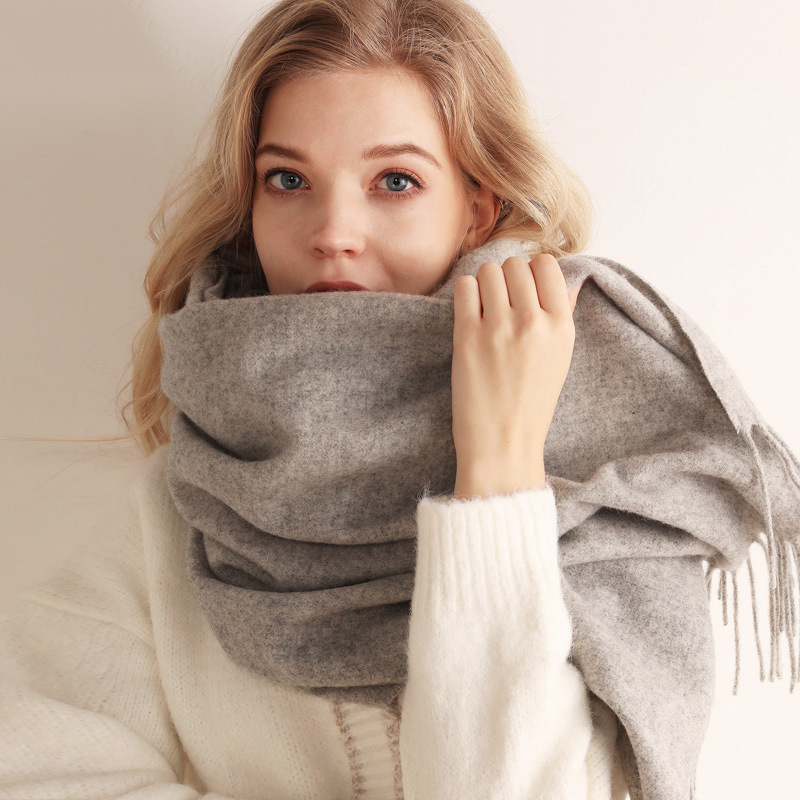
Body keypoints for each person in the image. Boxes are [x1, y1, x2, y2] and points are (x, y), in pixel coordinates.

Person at [2, 1, 799, 799]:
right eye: (288, 179)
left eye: (395, 181)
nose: (332, 231)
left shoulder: (609, 480)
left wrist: (500, 468)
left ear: (477, 207)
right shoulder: (180, 506)